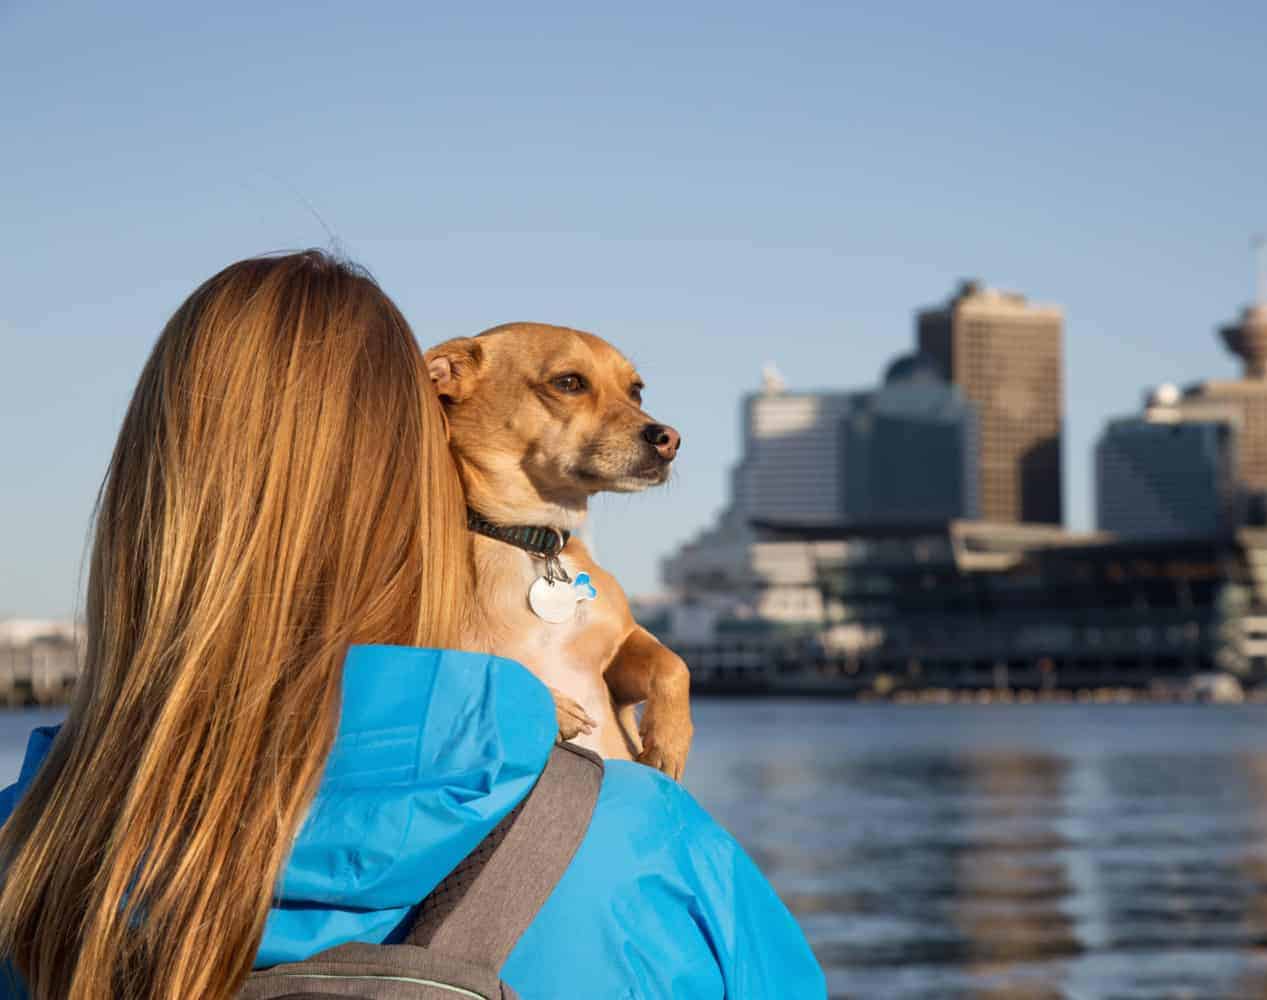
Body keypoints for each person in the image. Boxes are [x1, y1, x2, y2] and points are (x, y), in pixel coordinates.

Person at [0, 252, 826, 1000]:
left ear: (141, 500)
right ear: (437, 434)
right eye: (568, 385)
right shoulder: (657, 842)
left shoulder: (26, 849)